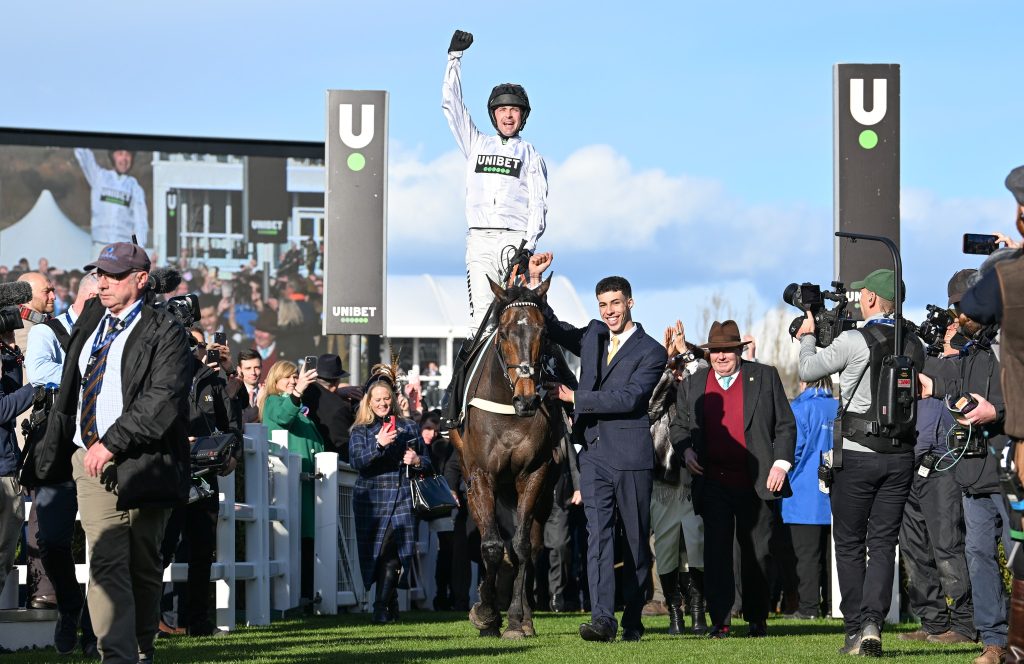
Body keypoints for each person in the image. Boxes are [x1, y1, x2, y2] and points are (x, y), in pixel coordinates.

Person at [23, 241, 192, 664]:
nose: (103, 283)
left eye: (113, 276)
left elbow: (162, 400)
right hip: (88, 461)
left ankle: (140, 648)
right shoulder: (93, 318)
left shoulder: (166, 331)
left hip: (145, 462)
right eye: (99, 274)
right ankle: (115, 656)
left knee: (143, 567)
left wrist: (112, 442)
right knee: (104, 561)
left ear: (140, 280)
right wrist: (69, 443)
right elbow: (70, 383)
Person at [529, 252, 666, 642]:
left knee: (637, 544)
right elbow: (552, 327)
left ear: (630, 302)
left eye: (615, 303)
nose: (609, 311)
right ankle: (603, 619)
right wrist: (534, 282)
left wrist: (576, 399)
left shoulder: (651, 351)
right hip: (593, 456)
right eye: (603, 304)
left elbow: (630, 398)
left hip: (632, 457)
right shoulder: (592, 334)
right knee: (598, 537)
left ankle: (634, 619)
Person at [797, 268, 925, 657]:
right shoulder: (915, 342)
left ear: (870, 298)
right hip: (900, 456)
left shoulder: (854, 339)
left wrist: (806, 336)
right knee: (883, 544)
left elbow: (807, 370)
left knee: (850, 543)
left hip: (855, 455)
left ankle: (855, 630)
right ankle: (874, 622)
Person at [440, 28, 549, 428]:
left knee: (524, 321)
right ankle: (456, 406)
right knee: (479, 325)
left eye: (514, 110)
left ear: (523, 116)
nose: (508, 115)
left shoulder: (531, 154)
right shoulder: (476, 142)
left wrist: (527, 245)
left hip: (512, 244)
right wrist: (454, 59)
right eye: (502, 109)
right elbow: (451, 106)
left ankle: (551, 403)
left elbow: (539, 203)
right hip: (479, 241)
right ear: (493, 114)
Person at [670, 320, 796, 638]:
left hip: (757, 481)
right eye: (716, 351)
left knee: (758, 551)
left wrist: (780, 465)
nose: (721, 357)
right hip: (712, 481)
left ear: (739, 351)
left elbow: (785, 425)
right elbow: (679, 427)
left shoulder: (764, 376)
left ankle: (756, 616)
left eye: (727, 350)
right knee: (717, 553)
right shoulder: (694, 384)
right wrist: (685, 452)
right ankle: (721, 620)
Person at [921, 271, 1007, 663]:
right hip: (974, 471)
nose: (960, 316)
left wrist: (997, 412)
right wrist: (938, 389)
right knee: (977, 553)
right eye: (957, 308)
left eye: (965, 307)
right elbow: (959, 391)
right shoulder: (970, 351)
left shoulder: (1012, 344)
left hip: (1012, 467)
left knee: (1017, 555)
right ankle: (994, 640)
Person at [959, 166, 1024, 664]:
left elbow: (975, 306)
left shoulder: (1010, 274)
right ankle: (1000, 641)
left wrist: (1003, 256)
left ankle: (1011, 645)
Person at [22, 272, 100, 655]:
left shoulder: (109, 334)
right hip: (57, 450)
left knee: (102, 540)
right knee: (51, 541)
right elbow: (39, 373)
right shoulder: (47, 332)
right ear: (87, 298)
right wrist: (89, 381)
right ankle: (70, 608)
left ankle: (91, 627)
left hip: (98, 448)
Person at [159, 326, 242, 637]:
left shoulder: (216, 379)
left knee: (202, 550)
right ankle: (151, 621)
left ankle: (198, 622)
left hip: (206, 477)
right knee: (162, 548)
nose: (195, 349)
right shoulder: (163, 374)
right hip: (170, 474)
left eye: (197, 344)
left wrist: (233, 456)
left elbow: (231, 424)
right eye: (189, 343)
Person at [348, 363, 431, 624]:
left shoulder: (408, 426)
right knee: (379, 554)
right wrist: (378, 445)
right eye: (378, 400)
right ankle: (390, 600)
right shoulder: (360, 430)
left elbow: (428, 463)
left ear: (392, 401)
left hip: (404, 498)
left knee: (396, 554)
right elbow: (357, 462)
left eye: (387, 399)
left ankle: (380, 607)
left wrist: (417, 460)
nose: (383, 404)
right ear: (369, 403)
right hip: (372, 499)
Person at [650, 321, 708, 635]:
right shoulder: (662, 394)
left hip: (693, 482)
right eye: (675, 367)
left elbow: (704, 376)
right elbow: (648, 404)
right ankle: (675, 613)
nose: (678, 371)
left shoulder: (700, 391)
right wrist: (664, 360)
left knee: (696, 550)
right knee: (667, 551)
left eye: (681, 365)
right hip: (663, 483)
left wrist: (685, 352)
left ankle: (698, 612)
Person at [259, 360, 322, 600]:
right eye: (288, 377)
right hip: (288, 484)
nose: (294, 380)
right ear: (275, 381)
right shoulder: (274, 403)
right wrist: (296, 393)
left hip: (307, 484)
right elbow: (283, 417)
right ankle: (293, 597)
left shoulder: (298, 407)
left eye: (296, 376)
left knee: (306, 541)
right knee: (293, 540)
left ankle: (305, 595)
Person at [781, 376, 837, 620]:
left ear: (804, 381)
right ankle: (833, 606)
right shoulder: (839, 407)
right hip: (837, 492)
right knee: (832, 554)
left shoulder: (799, 409)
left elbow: (793, 450)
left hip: (804, 492)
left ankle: (808, 608)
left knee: (806, 556)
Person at [74, 148, 149, 252]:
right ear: (112, 156)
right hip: (100, 246)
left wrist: (139, 249)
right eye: (120, 154)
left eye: (128, 155)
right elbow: (83, 154)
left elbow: (140, 224)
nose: (124, 159)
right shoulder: (99, 177)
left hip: (122, 248)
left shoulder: (135, 188)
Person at [302, 354, 356, 463]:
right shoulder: (339, 407)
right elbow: (343, 447)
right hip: (329, 465)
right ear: (337, 381)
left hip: (304, 457)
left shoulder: (303, 391)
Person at [230, 348, 263, 424]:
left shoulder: (268, 394)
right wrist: (259, 405)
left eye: (257, 368)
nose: (253, 372)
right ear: (239, 370)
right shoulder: (232, 394)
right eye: (248, 368)